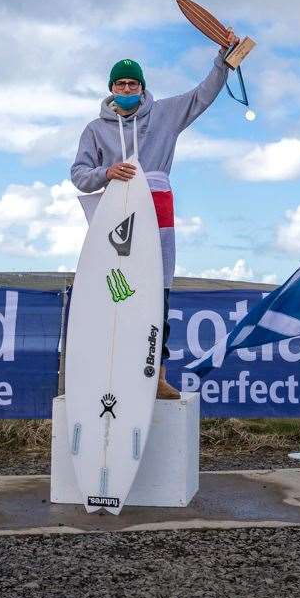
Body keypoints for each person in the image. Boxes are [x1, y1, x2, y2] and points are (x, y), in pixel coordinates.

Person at [70, 35, 236, 399]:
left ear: (142, 87)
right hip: (115, 214)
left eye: (133, 83)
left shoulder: (164, 114)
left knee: (156, 291)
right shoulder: (95, 130)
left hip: (157, 205)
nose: (127, 88)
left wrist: (223, 59)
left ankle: (156, 374)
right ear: (111, 89)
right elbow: (79, 174)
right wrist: (106, 172)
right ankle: (112, 373)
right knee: (116, 290)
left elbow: (201, 95)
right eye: (121, 83)